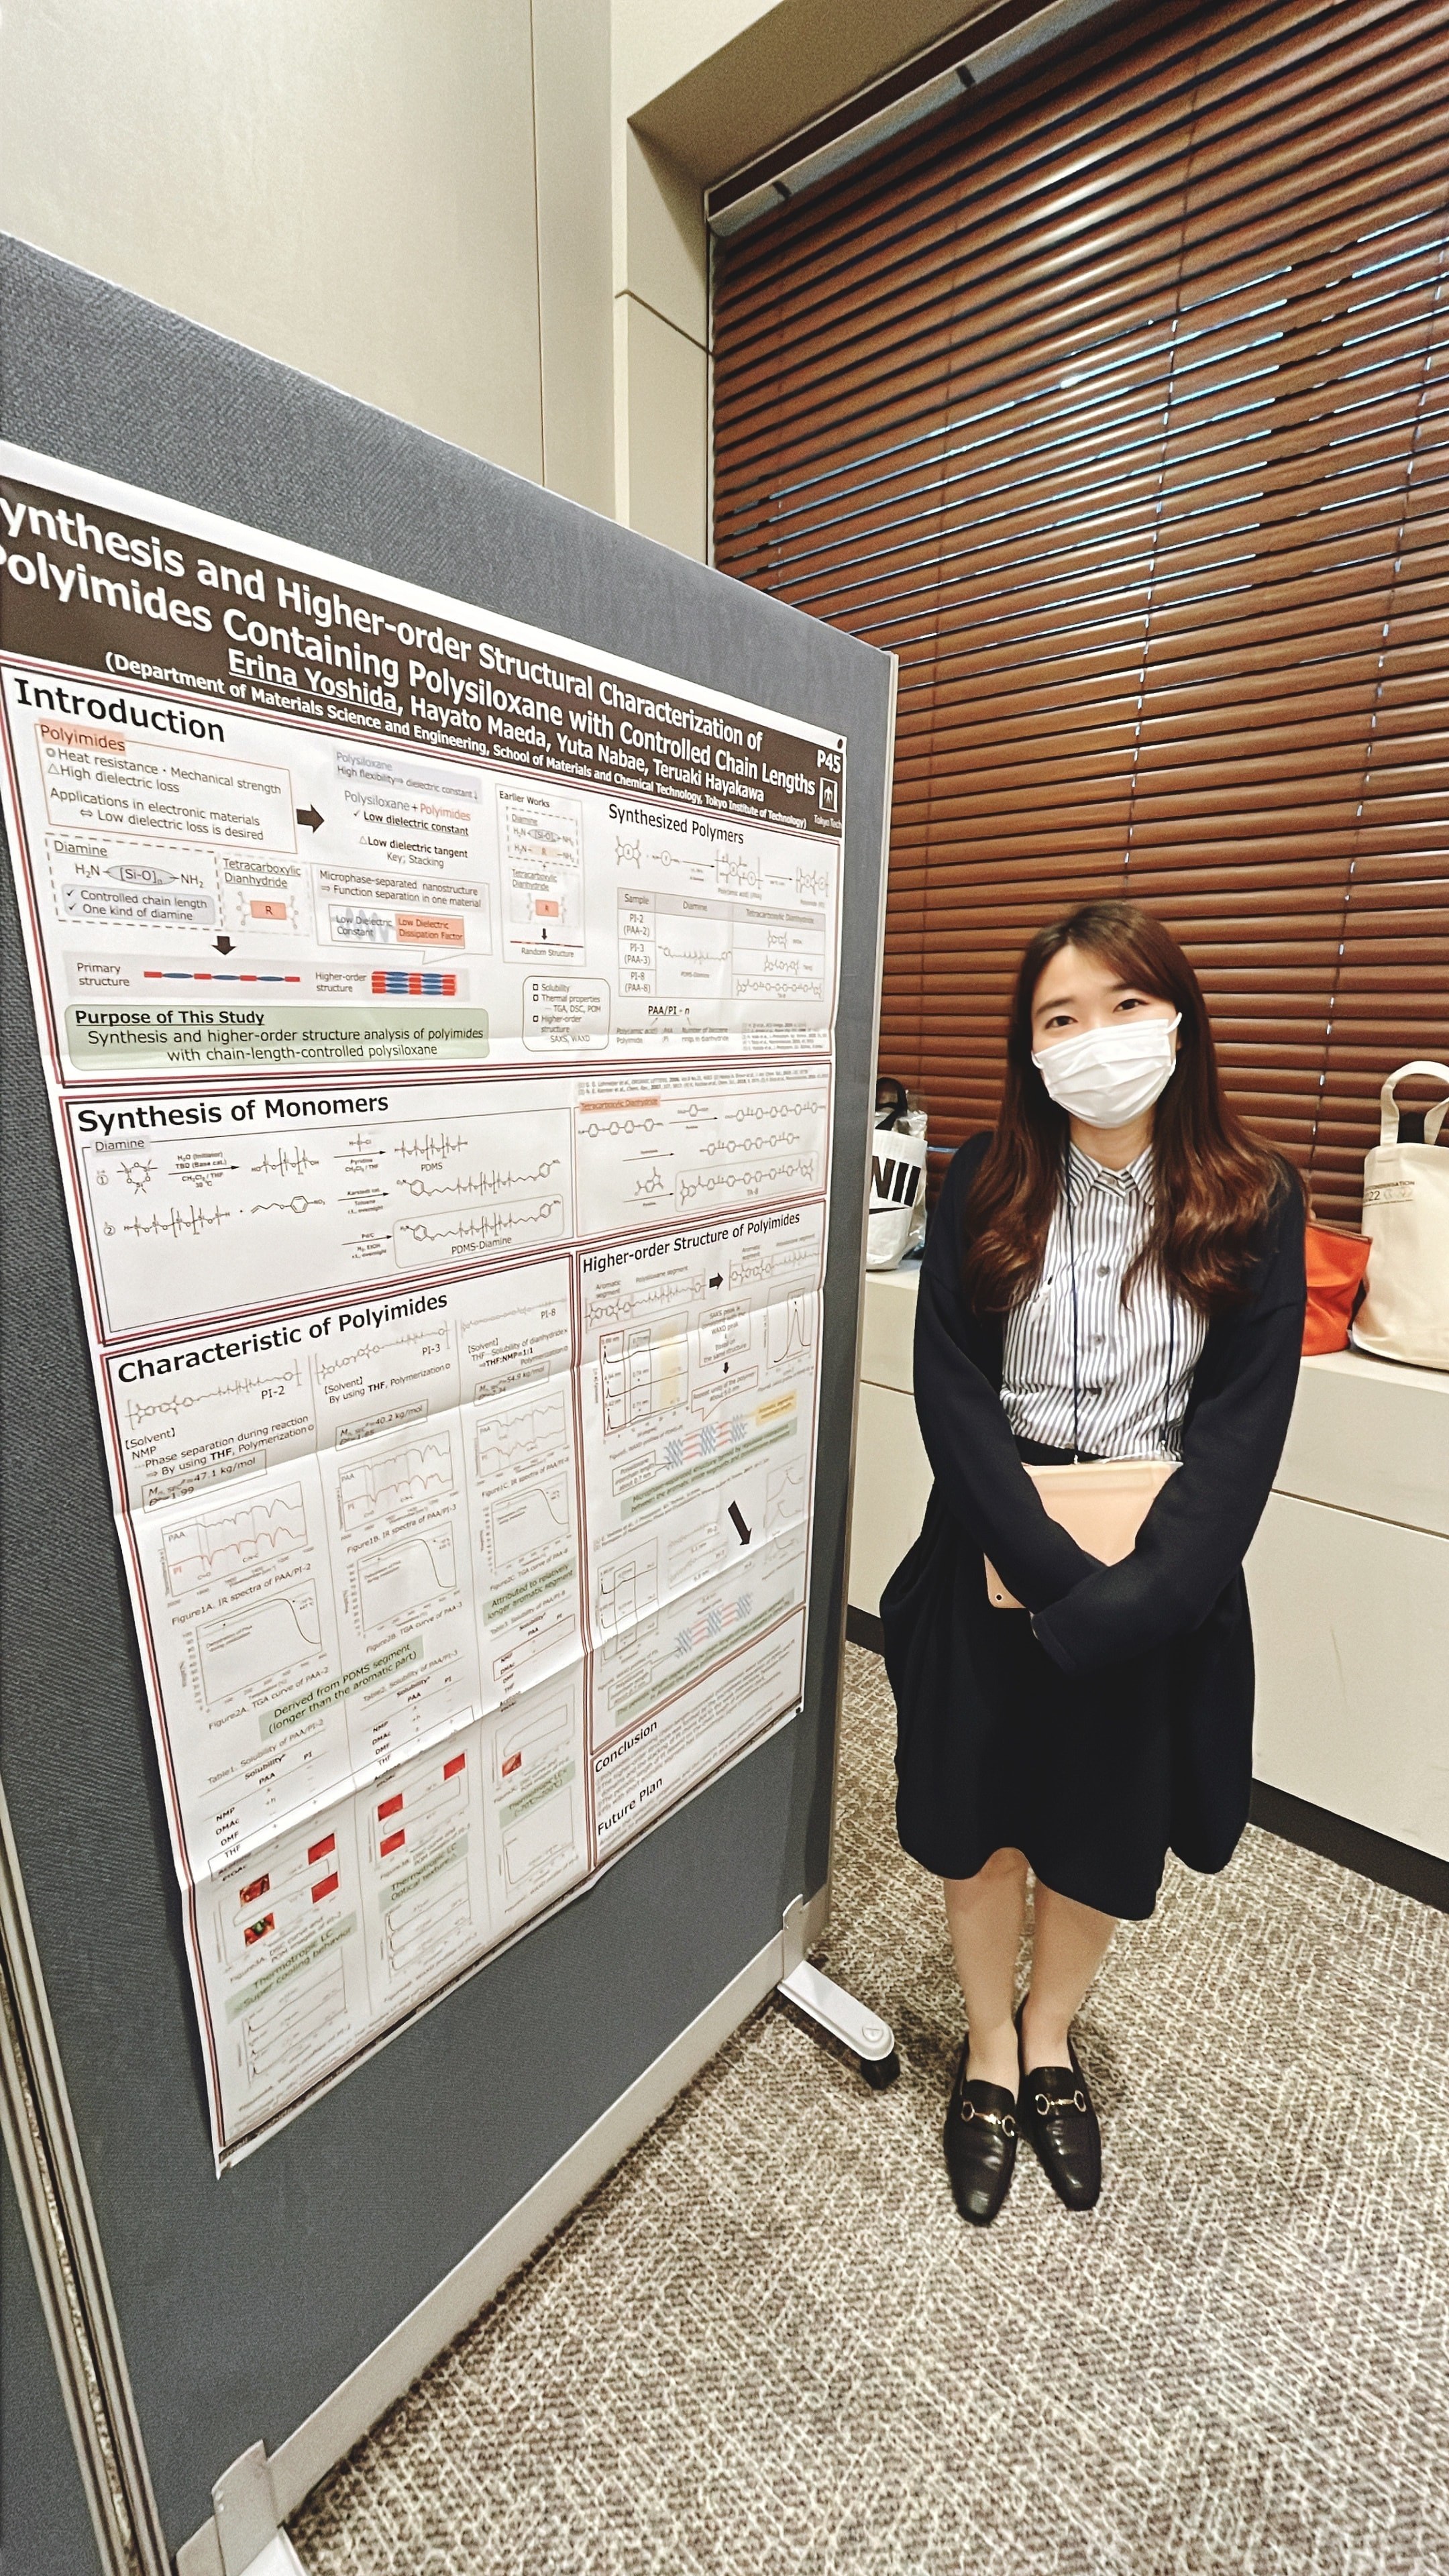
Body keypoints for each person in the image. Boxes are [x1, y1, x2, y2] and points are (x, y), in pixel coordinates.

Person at [880, 900, 1306, 2226]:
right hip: (994, 1539)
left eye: (1125, 1006)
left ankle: (1050, 2037)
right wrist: (1062, 1585)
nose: (1096, 1038)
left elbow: (1241, 1434)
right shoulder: (982, 1180)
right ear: (1030, 1046)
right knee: (980, 1823)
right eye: (1060, 1017)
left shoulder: (1254, 1198)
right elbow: (951, 1391)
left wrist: (1137, 1602)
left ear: (1179, 1019)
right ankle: (987, 2051)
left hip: (1159, 1574)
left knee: (1096, 1831)